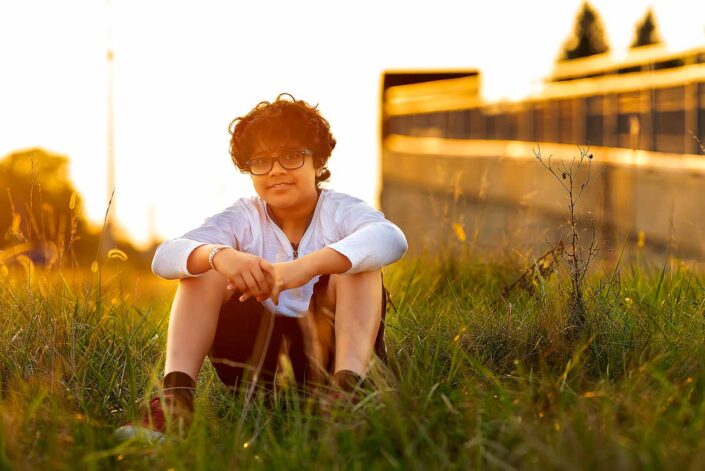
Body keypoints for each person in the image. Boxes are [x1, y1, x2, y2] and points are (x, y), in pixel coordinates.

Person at [115, 93, 407, 440]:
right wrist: (221, 255)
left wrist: (301, 269)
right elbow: (165, 258)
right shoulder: (244, 216)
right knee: (202, 265)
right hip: (256, 362)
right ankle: (174, 403)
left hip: (334, 357)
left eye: (291, 156)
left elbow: (391, 239)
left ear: (318, 162)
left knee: (359, 265)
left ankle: (348, 401)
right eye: (261, 161)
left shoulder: (342, 211)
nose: (276, 170)